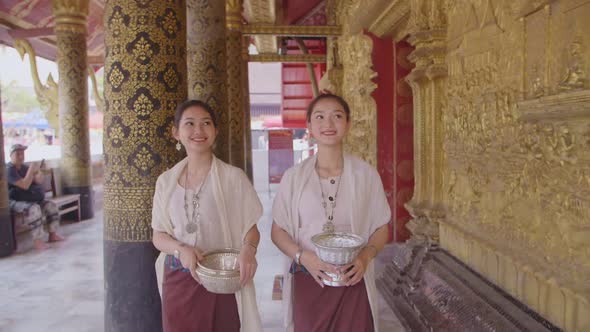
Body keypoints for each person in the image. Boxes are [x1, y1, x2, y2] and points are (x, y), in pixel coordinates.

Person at [271, 94, 391, 332]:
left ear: (348, 123)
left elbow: (381, 227)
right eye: (320, 117)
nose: (328, 124)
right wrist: (303, 257)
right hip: (309, 279)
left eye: (337, 116)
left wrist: (365, 257)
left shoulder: (365, 175)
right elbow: (278, 231)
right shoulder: (294, 177)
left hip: (352, 279)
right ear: (309, 126)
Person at [151, 100, 263, 332]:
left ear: (215, 131)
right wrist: (180, 249)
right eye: (189, 124)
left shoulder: (234, 178)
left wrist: (248, 250)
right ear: (176, 133)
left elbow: (251, 229)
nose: (198, 131)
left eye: (206, 123)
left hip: (220, 282)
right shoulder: (166, 182)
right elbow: (158, 236)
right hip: (178, 281)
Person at [6, 144, 64, 250]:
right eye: (17, 154)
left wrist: (38, 171)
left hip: (29, 199)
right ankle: (38, 241)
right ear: (11, 155)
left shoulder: (24, 167)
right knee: (34, 209)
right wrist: (31, 169)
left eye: (22, 153)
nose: (21, 156)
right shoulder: (9, 170)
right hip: (14, 201)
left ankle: (52, 235)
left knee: (51, 205)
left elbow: (38, 181)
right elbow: (24, 185)